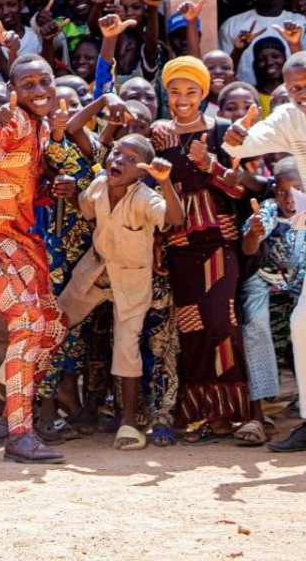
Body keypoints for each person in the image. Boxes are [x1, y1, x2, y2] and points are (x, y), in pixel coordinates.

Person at [224, 52, 306, 451]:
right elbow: (242, 146)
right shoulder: (289, 118)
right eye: (296, 88)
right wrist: (235, 137)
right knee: (305, 326)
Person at [0, 55, 67, 463]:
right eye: (29, 85)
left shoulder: (38, 129)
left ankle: (10, 413)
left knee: (53, 326)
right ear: (14, 90)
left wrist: (47, 191)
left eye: (45, 82)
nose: (39, 91)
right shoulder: (12, 121)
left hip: (17, 239)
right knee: (27, 322)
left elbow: (14, 180)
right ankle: (19, 433)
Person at [58, 135, 184, 451]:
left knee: (126, 346)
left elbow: (175, 219)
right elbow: (85, 208)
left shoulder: (144, 197)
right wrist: (72, 193)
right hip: (96, 271)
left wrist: (165, 183)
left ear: (142, 172)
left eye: (130, 159)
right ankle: (22, 396)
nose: (119, 160)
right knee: (54, 321)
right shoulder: (100, 185)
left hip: (130, 279)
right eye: (117, 153)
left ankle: (129, 423)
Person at [152, 56, 250, 442]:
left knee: (221, 323)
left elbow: (241, 189)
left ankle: (228, 414)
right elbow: (156, 189)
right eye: (175, 91)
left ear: (204, 93)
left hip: (217, 245)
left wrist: (209, 164)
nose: (182, 98)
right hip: (179, 245)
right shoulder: (160, 135)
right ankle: (196, 414)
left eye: (191, 91)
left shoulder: (222, 131)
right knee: (191, 328)